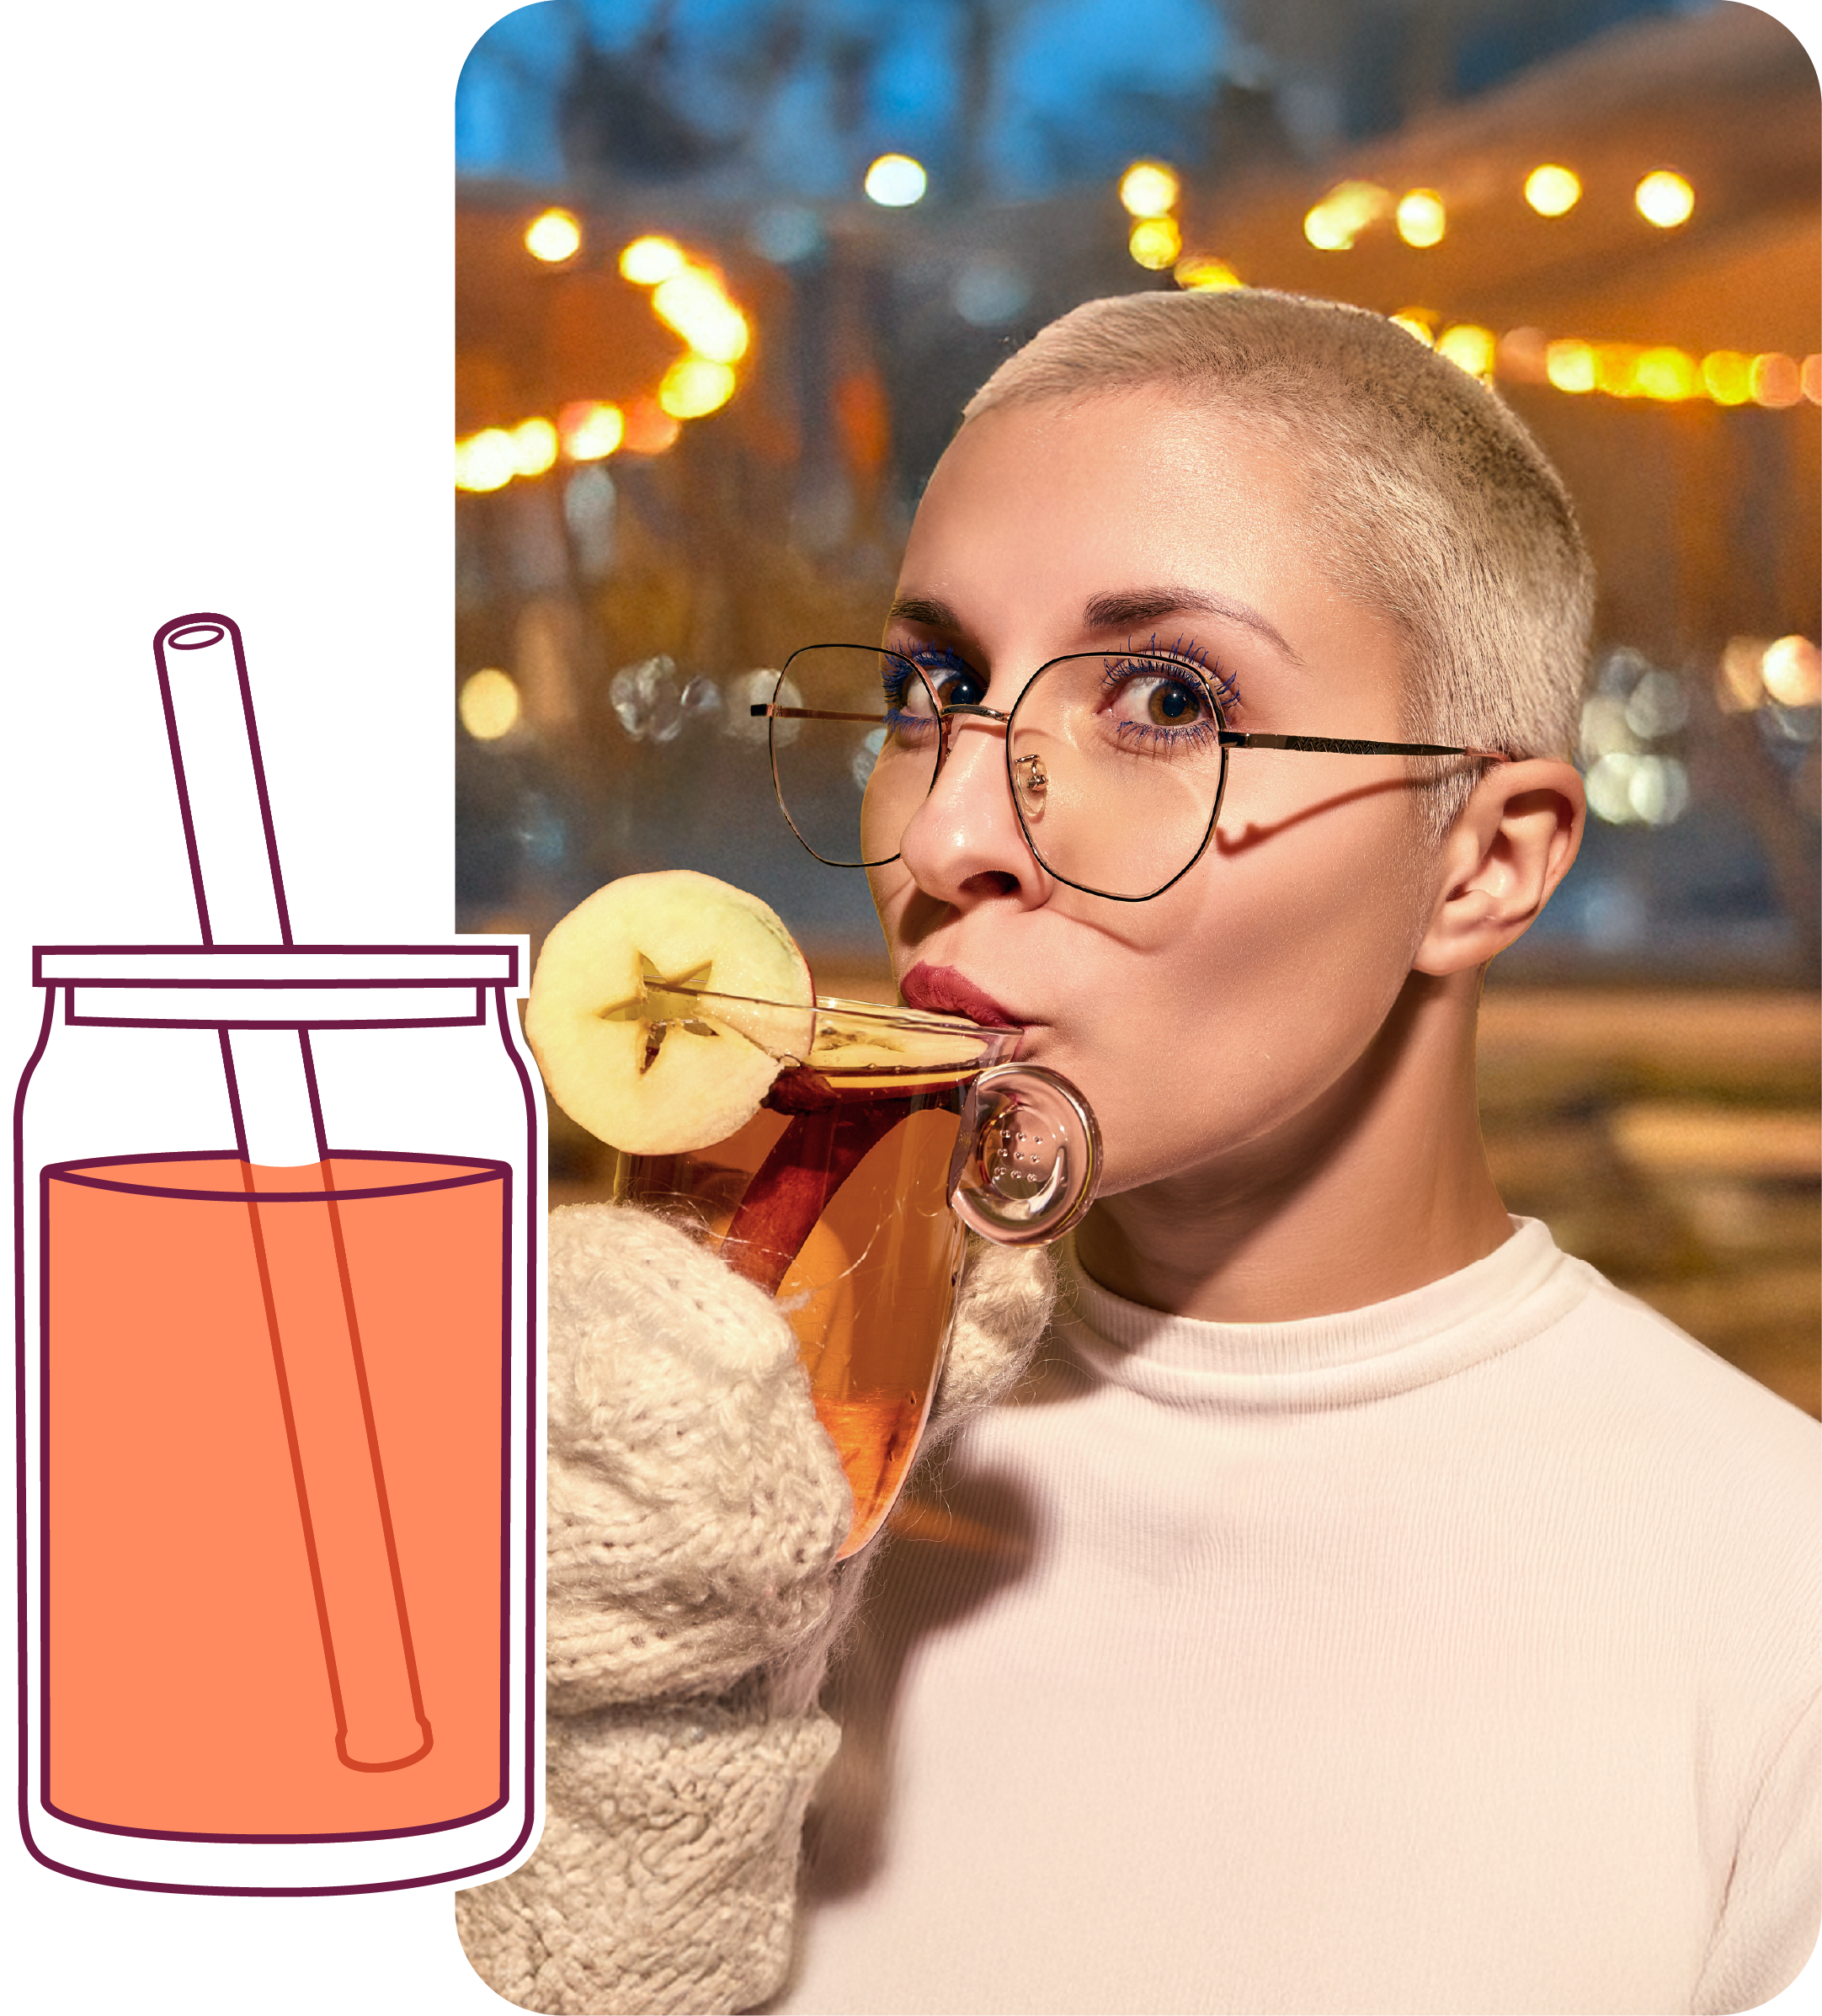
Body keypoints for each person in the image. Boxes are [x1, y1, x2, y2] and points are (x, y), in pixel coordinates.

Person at [457, 288, 1822, 2016]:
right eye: (926, 689)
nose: (948, 831)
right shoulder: (685, 1483)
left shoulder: (1777, 1629)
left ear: (1479, 862)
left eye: (1167, 699)